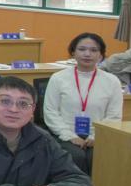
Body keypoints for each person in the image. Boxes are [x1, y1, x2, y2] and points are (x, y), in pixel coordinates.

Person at [42, 32, 123, 174]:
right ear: (73, 52)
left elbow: (114, 116)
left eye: (93, 50)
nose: (87, 54)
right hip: (65, 134)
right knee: (76, 155)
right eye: (82, 49)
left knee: (98, 155)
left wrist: (95, 136)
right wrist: (69, 136)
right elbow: (50, 111)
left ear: (101, 55)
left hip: (99, 134)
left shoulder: (112, 81)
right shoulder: (58, 78)